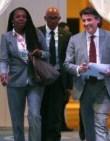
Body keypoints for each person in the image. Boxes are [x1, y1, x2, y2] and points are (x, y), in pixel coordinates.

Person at [64, 7, 110, 141]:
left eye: (89, 19)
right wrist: (79, 68)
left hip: (103, 86)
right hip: (84, 88)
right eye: (83, 20)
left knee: (101, 123)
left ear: (97, 20)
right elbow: (67, 63)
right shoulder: (74, 39)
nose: (86, 23)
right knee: (88, 126)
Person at [0, 7, 49, 141]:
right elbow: (3, 59)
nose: (21, 19)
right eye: (18, 16)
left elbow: (47, 54)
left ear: (28, 19)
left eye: (24, 17)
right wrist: (3, 73)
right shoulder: (6, 37)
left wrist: (40, 53)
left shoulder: (37, 33)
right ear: (12, 20)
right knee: (17, 119)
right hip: (14, 82)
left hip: (35, 81)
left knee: (34, 116)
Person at [38, 7, 73, 141]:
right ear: (45, 18)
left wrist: (69, 84)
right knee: (41, 112)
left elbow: (69, 60)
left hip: (58, 79)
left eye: (55, 18)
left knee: (56, 114)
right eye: (50, 17)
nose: (53, 20)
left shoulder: (67, 35)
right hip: (41, 78)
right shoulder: (37, 32)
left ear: (59, 19)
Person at [57, 22, 75, 132]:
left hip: (67, 77)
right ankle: (60, 125)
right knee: (60, 104)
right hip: (59, 78)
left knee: (63, 103)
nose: (68, 33)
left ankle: (62, 125)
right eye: (66, 31)